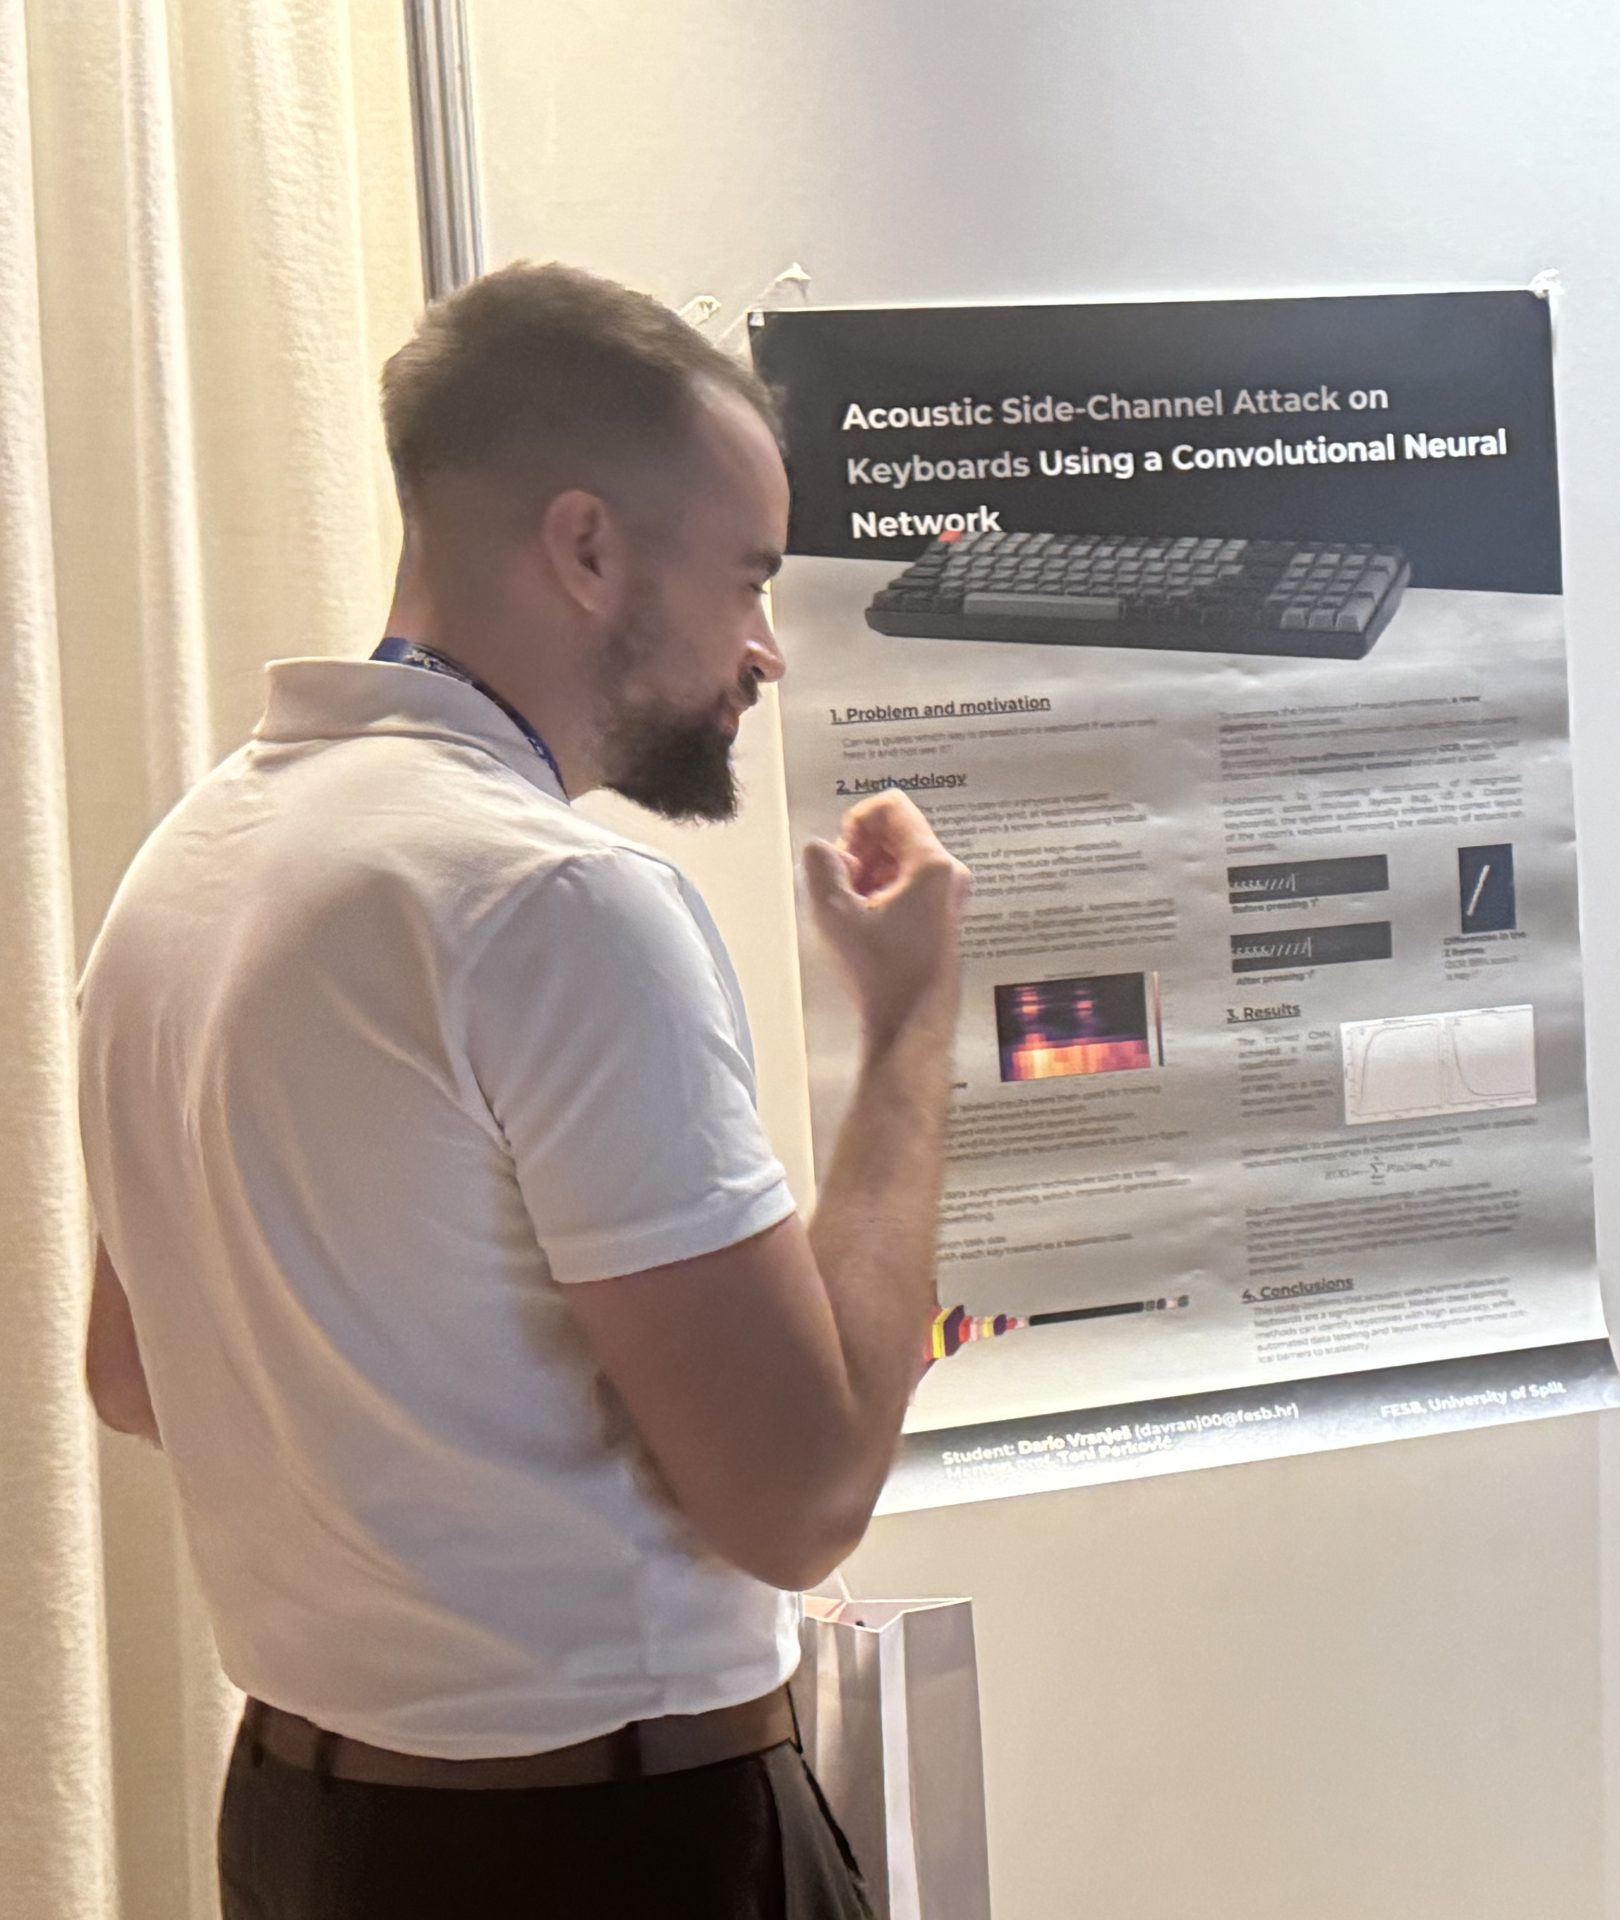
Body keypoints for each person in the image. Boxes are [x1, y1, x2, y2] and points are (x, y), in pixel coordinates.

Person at [77, 262, 968, 1919]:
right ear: (586, 547)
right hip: (607, 1845)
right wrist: (910, 1022)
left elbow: (131, 1374)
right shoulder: (556, 902)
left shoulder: (182, 871)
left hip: (303, 1833)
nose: (765, 651)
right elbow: (802, 1497)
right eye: (748, 578)